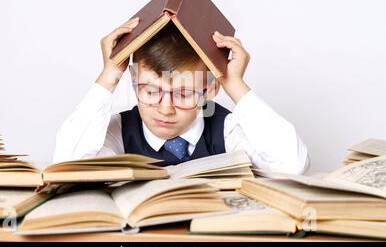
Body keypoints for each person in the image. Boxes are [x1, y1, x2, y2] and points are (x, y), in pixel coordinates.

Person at [53, 17, 309, 174]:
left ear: (210, 88)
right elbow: (66, 166)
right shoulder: (117, 132)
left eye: (184, 94)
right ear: (133, 81)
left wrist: (234, 84)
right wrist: (109, 74)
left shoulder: (228, 131)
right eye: (151, 91)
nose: (165, 109)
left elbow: (291, 165)